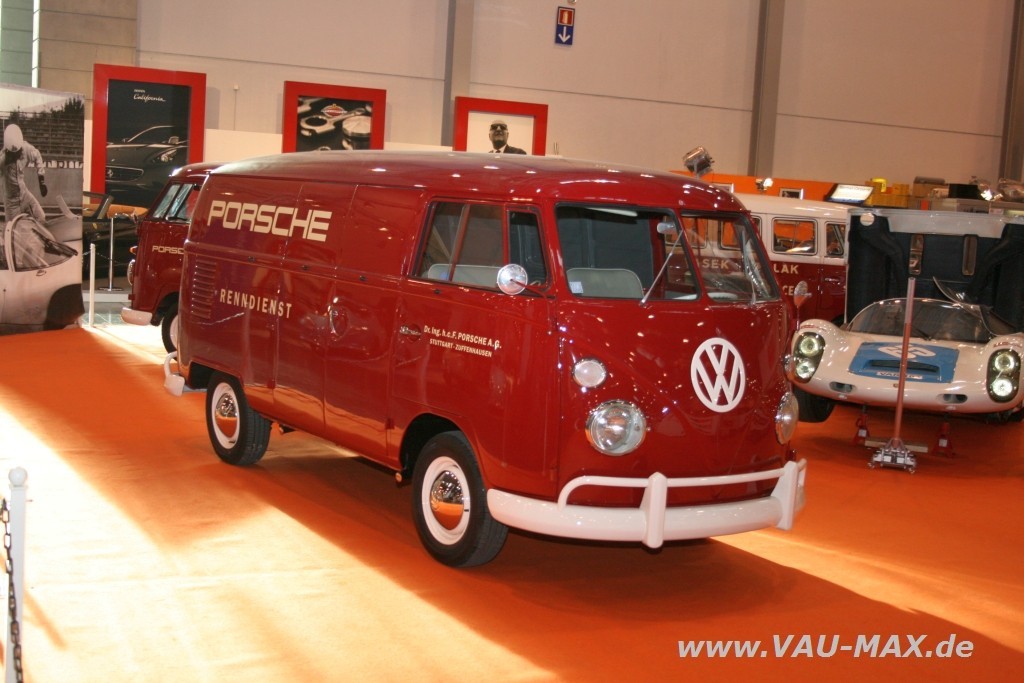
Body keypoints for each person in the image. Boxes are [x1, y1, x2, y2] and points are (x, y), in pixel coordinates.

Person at [1, 123, 48, 226]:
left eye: (19, 151)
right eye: (13, 154)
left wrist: (41, 180)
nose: (17, 154)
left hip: (25, 195)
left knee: (41, 218)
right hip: (11, 203)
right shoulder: (2, 160)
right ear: (8, 151)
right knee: (13, 230)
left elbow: (37, 156)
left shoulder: (25, 148)